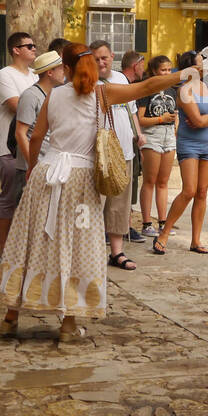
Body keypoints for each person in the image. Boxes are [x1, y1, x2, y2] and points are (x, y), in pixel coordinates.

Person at [0, 44, 194, 341]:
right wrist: (184, 74)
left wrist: (38, 167)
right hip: (81, 179)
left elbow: (36, 136)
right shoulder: (103, 94)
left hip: (47, 174)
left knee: (32, 241)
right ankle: (68, 325)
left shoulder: (54, 94)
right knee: (79, 245)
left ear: (66, 66)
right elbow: (149, 85)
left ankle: (11, 317)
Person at [153, 50, 208, 255]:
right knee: (189, 191)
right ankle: (164, 233)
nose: (205, 65)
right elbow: (196, 120)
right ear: (191, 67)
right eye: (201, 62)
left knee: (202, 192)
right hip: (189, 145)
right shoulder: (184, 91)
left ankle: (196, 240)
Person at [90, 40, 145, 270]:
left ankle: (117, 252)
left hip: (125, 151)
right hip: (101, 153)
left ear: (112, 56)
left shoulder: (122, 80)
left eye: (104, 57)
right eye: (96, 59)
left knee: (120, 205)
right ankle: (91, 253)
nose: (101, 62)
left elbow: (132, 111)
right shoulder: (88, 82)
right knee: (94, 204)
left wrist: (139, 134)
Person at [0, 30, 38, 257]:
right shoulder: (5, 74)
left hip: (34, 146)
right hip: (10, 147)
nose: (34, 49)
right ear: (16, 50)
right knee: (10, 199)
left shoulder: (35, 76)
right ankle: (2, 247)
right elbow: (15, 105)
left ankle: (21, 248)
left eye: (34, 46)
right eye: (29, 46)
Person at [137, 55, 178, 238]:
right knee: (150, 180)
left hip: (169, 136)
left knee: (163, 181)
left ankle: (163, 221)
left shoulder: (173, 90)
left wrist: (175, 125)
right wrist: (161, 119)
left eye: (169, 70)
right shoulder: (147, 89)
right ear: (154, 71)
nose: (167, 73)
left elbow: (175, 113)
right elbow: (140, 119)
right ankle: (147, 222)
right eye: (163, 70)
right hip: (152, 135)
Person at [14, 48, 66, 168]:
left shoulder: (53, 94)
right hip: (30, 169)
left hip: (47, 165)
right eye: (61, 68)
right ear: (50, 73)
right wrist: (32, 166)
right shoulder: (30, 96)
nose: (64, 72)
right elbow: (20, 133)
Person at [120, 50, 148, 243]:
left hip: (131, 145)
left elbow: (133, 113)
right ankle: (119, 227)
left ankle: (126, 226)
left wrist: (139, 136)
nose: (144, 70)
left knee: (130, 187)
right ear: (136, 65)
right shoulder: (119, 83)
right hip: (118, 146)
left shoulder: (130, 87)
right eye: (143, 65)